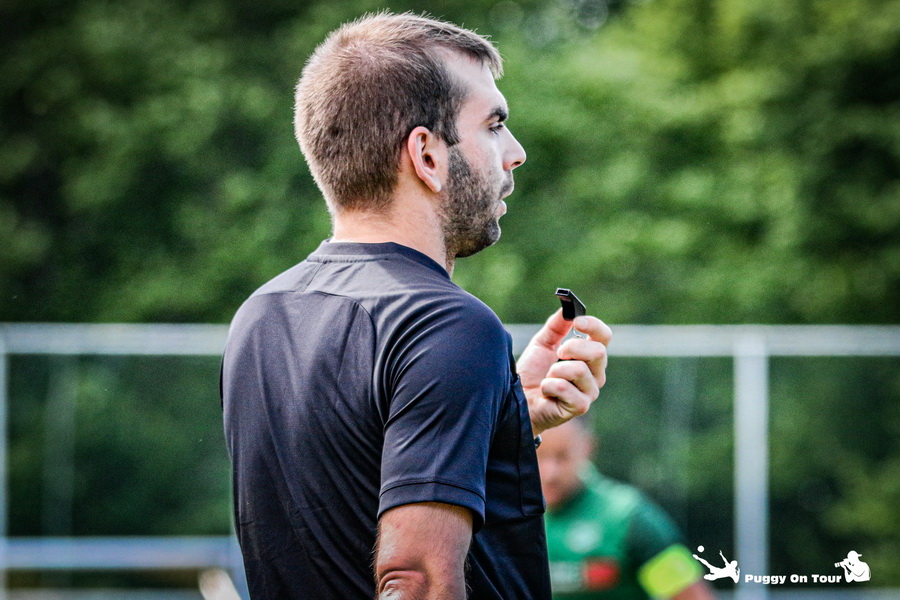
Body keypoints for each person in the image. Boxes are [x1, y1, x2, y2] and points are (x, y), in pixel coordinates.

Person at [220, 12, 613, 600]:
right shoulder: (447, 324)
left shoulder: (263, 314)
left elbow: (343, 515)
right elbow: (417, 580)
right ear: (427, 154)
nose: (516, 153)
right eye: (494, 125)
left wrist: (504, 420)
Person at [538, 420, 716, 600]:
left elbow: (691, 596)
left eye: (563, 456)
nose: (550, 473)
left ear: (588, 447)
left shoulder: (627, 516)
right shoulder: (519, 519)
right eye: (538, 455)